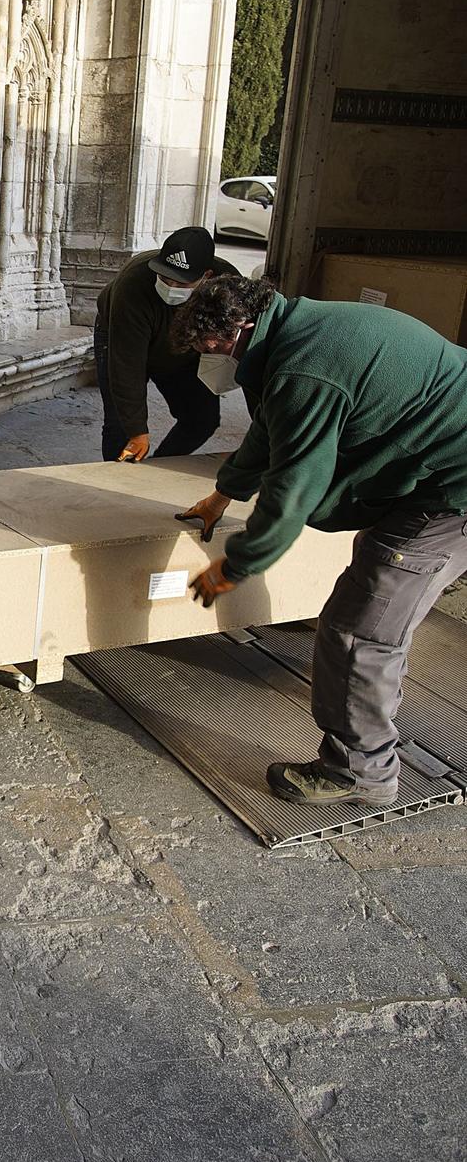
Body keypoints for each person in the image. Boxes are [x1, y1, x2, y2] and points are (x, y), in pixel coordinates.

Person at [172, 274, 467, 807]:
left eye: (211, 347)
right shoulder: (298, 328)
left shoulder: (305, 369)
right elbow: (269, 431)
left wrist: (234, 566)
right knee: (374, 594)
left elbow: (294, 488)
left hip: (453, 486)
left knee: (357, 631)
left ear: (241, 326)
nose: (211, 359)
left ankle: (359, 771)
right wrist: (224, 493)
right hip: (432, 469)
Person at [93, 225, 237, 463]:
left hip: (186, 345)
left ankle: (159, 465)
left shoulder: (228, 286)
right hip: (119, 336)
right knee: (121, 425)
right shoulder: (132, 285)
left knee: (202, 420)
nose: (171, 289)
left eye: (182, 284)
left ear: (207, 276)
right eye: (165, 279)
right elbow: (126, 366)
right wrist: (138, 431)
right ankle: (118, 483)